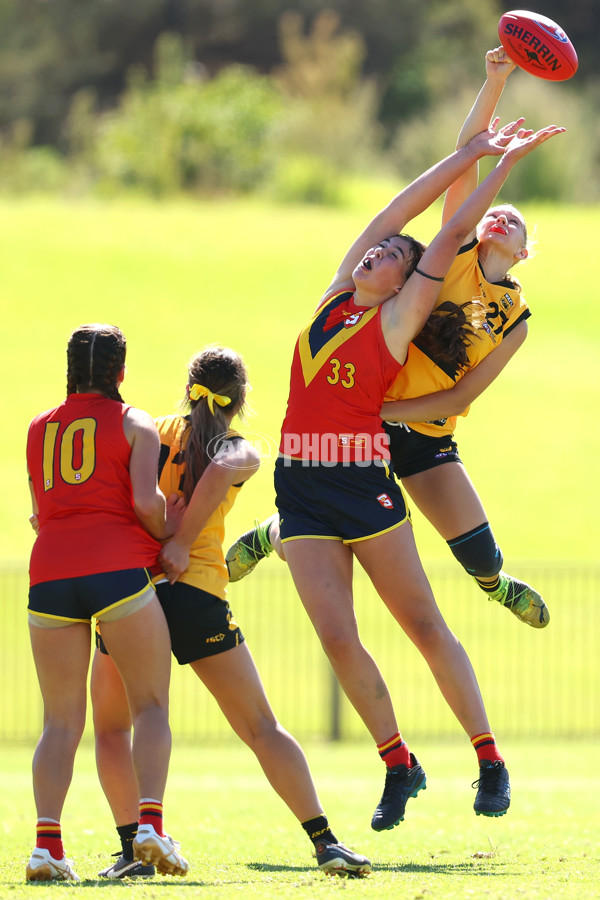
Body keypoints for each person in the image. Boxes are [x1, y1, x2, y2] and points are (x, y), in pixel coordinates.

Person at [230, 116, 564, 832]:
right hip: (302, 485)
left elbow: (441, 237)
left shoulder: (399, 318)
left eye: (386, 257)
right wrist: (470, 150)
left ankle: (490, 756)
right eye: (374, 250)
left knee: (419, 622)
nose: (373, 252)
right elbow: (400, 211)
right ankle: (398, 762)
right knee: (337, 637)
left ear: (406, 279)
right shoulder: (331, 298)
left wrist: (500, 167)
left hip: (363, 484)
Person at [227, 48, 548, 630]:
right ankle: (272, 532)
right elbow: (466, 156)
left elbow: (456, 400)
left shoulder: (517, 319)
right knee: (328, 520)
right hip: (366, 422)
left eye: (516, 221)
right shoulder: (456, 251)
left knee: (478, 552)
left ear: (525, 252)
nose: (502, 218)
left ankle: (496, 583)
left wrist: (387, 408)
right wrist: (494, 82)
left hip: (423, 429)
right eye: (495, 212)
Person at [92, 344, 371, 880]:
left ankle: (133, 846)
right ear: (240, 399)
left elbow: (127, 500)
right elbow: (226, 466)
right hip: (196, 594)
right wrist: (184, 540)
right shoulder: (241, 448)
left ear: (189, 386)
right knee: (261, 727)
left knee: (112, 728)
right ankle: (325, 841)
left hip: (133, 596)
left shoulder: (148, 430)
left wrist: (161, 533)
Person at [25, 324, 189, 882]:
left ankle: (47, 843)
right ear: (120, 372)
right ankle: (150, 825)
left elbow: (39, 514)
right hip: (115, 568)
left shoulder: (39, 428)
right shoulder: (134, 422)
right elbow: (147, 503)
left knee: (60, 721)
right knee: (150, 706)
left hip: (48, 573)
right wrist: (175, 525)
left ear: (69, 370)